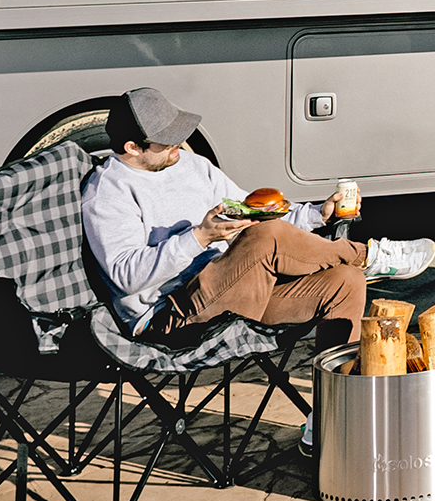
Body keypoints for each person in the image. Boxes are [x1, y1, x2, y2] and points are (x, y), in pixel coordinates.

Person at [81, 84, 366, 347]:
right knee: (265, 235)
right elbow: (126, 276)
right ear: (132, 147)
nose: (178, 143)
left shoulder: (190, 164)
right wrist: (199, 237)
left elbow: (252, 211)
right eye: (166, 140)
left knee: (346, 281)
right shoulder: (108, 192)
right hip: (170, 317)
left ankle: (341, 396)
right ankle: (368, 256)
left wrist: (319, 215)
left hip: (231, 292)